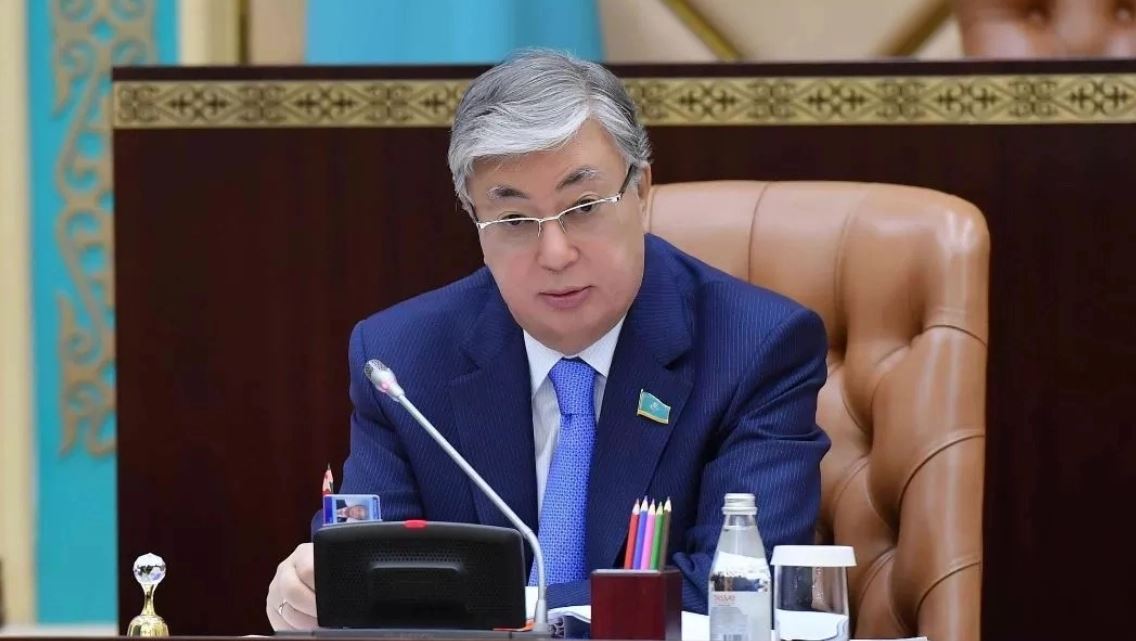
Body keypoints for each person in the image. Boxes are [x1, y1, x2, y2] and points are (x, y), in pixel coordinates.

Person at [266, 48, 830, 631]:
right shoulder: (401, 361)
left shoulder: (755, 348)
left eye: (583, 207)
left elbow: (732, 590)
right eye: (514, 221)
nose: (555, 254)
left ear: (641, 190)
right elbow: (376, 576)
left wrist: (513, 610)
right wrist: (316, 593)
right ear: (474, 218)